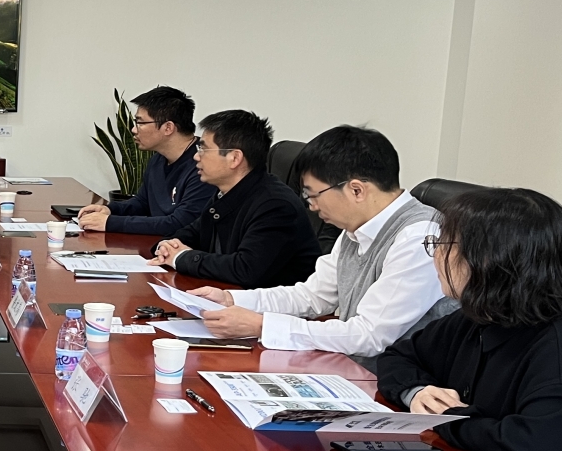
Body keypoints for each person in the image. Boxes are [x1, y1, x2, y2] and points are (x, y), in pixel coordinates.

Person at [187, 126, 456, 368]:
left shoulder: (420, 237)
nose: (311, 206)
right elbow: (312, 296)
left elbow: (369, 336)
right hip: (354, 368)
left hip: (401, 387)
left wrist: (261, 325)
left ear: (356, 190)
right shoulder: (355, 229)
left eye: (312, 194)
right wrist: (231, 300)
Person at [379, 188, 562, 451]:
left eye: (443, 245)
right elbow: (398, 357)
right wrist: (418, 392)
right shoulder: (479, 315)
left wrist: (450, 418)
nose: (435, 255)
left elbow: (538, 450)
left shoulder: (559, 347)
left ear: (488, 259)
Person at [151, 109, 319, 289]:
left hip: (270, 304)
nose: (196, 156)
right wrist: (165, 247)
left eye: (204, 149)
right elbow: (192, 233)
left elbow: (245, 269)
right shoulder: (225, 193)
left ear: (234, 158)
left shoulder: (276, 206)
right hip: (229, 296)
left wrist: (181, 257)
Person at [75, 86, 213, 235]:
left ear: (168, 128)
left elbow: (179, 223)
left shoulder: (204, 165)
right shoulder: (158, 159)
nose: (134, 130)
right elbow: (142, 203)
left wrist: (110, 223)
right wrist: (109, 210)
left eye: (140, 123)